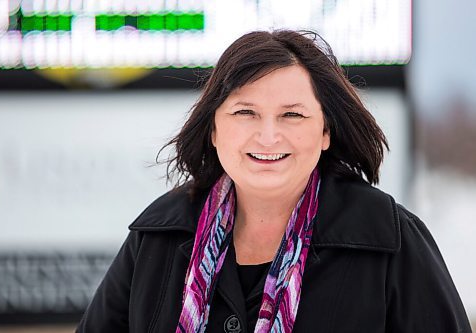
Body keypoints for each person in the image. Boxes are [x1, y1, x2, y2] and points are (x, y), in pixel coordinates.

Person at [76, 30, 472, 333]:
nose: (268, 137)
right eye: (245, 112)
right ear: (213, 129)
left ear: (325, 132)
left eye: (292, 115)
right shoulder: (158, 234)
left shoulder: (389, 237)